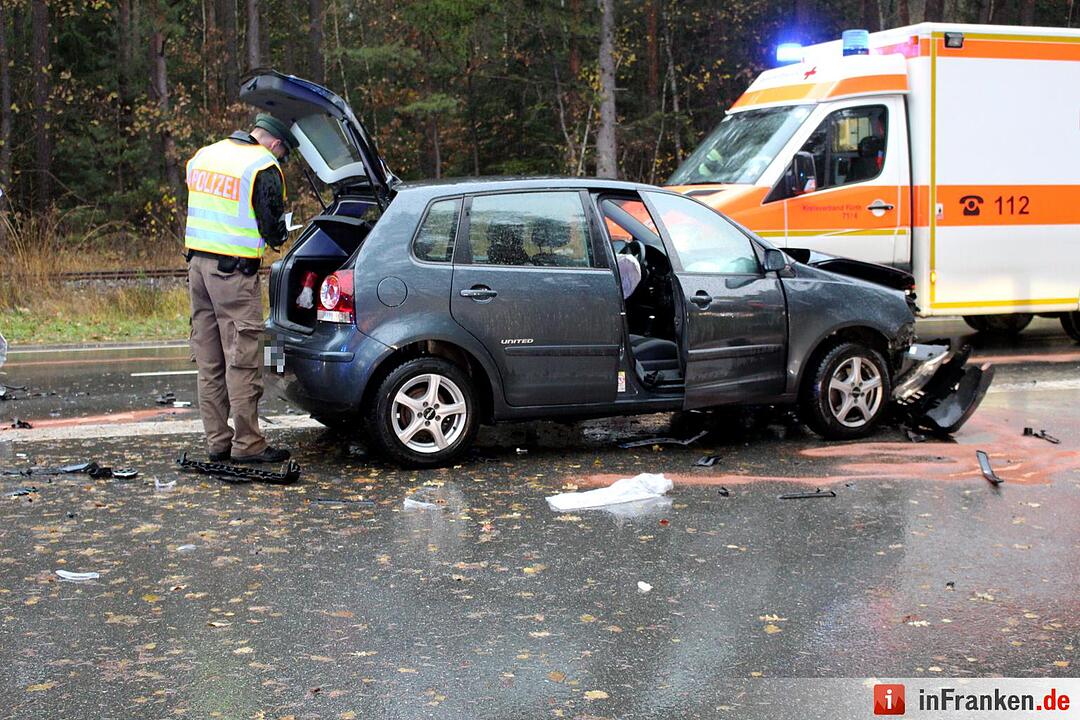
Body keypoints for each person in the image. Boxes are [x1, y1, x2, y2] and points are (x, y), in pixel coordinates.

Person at [183, 113, 296, 463]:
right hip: (233, 275)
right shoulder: (262, 165)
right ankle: (248, 444)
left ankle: (218, 442)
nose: (280, 160)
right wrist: (281, 233)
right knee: (245, 358)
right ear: (276, 143)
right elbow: (271, 227)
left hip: (197, 269)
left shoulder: (205, 155)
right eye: (283, 154)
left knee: (210, 360)